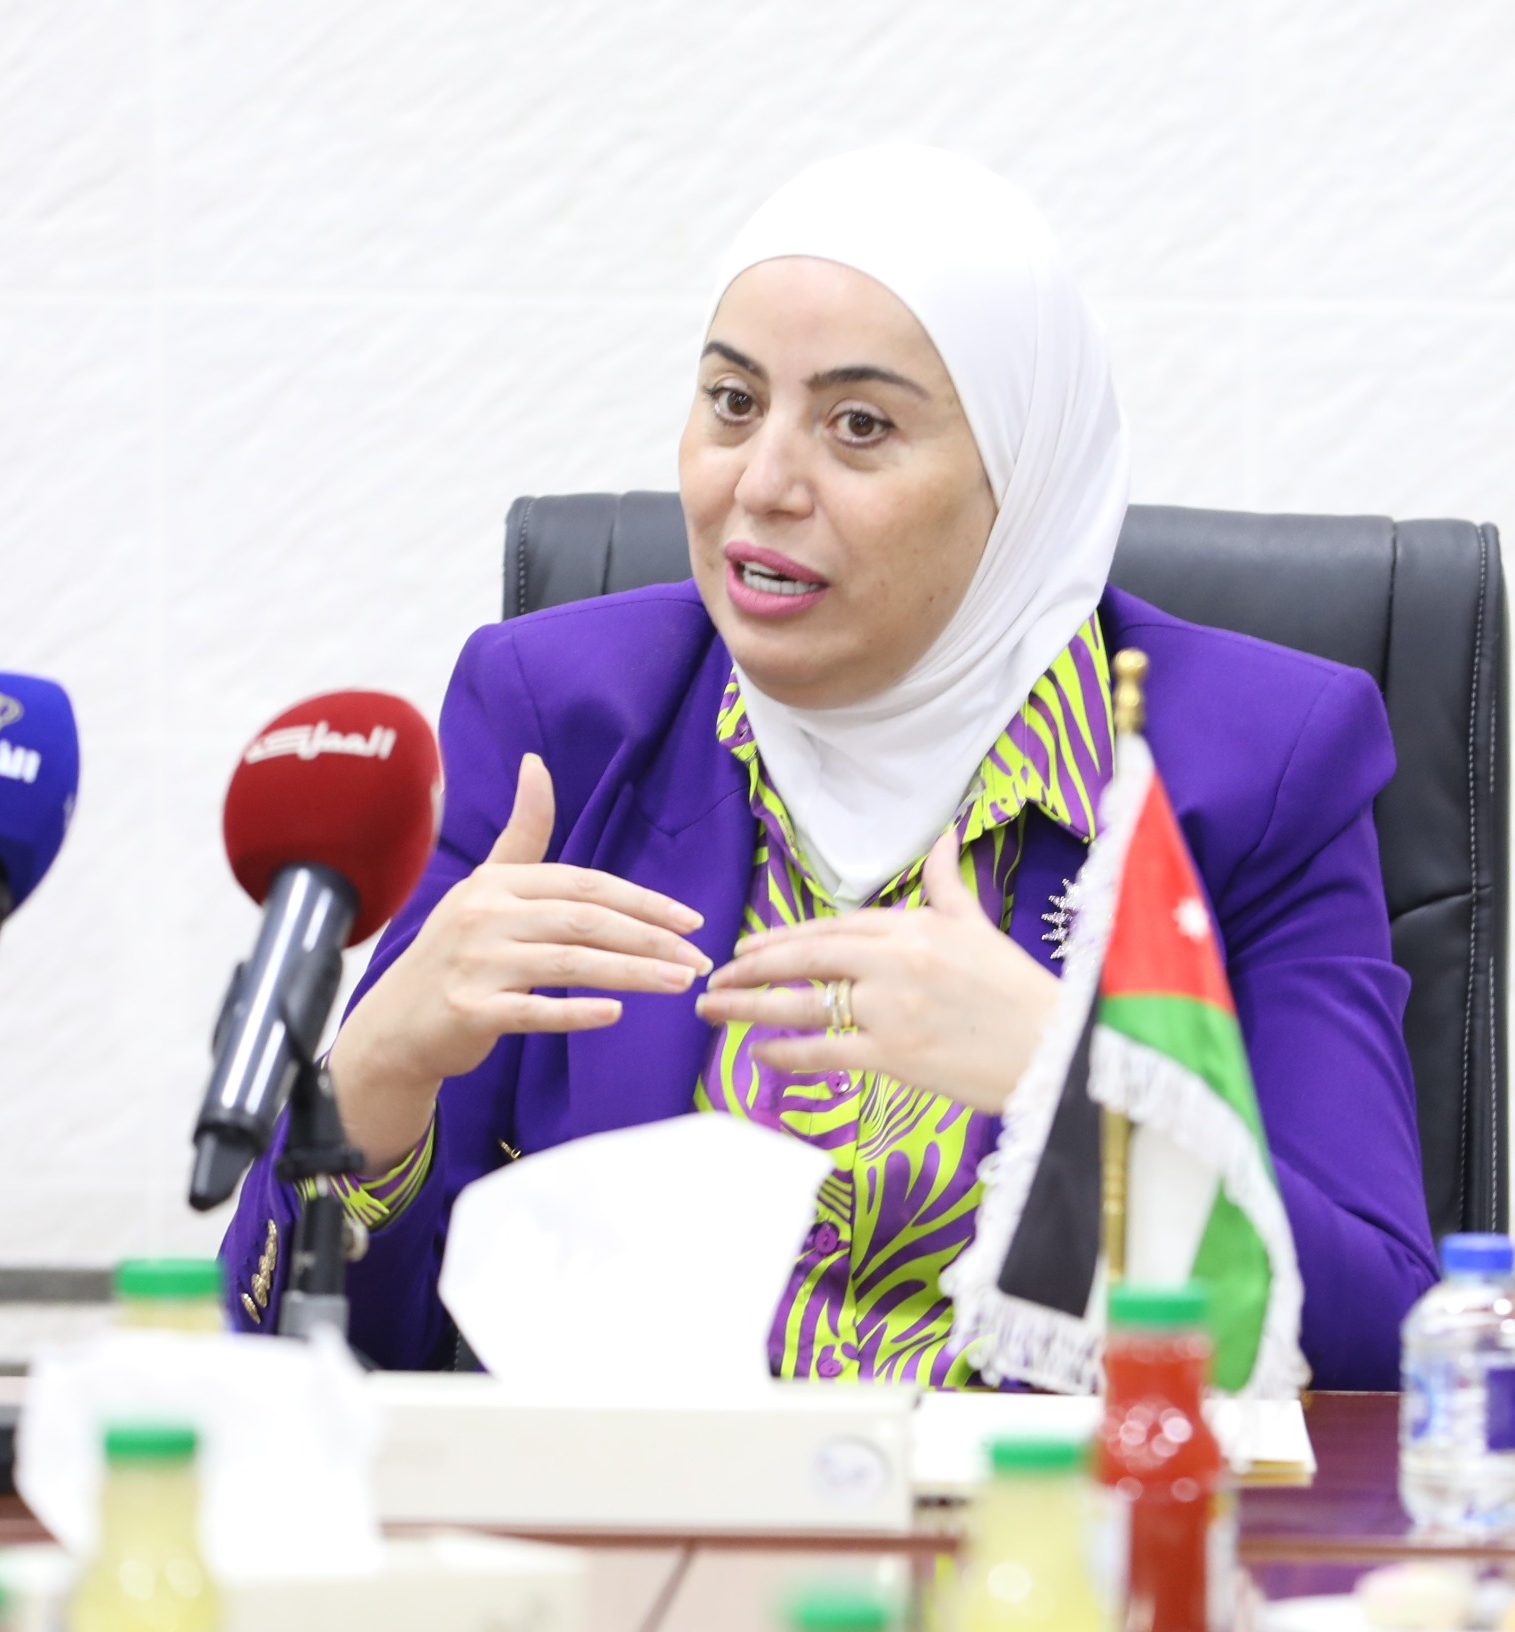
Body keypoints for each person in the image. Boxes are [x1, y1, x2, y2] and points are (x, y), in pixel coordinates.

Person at [220, 147, 1436, 1389]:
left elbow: (1378, 1347)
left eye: (860, 426)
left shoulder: (1251, 767)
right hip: (637, 1500)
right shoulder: (563, 721)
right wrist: (378, 1079)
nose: (761, 484)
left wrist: (1063, 1081)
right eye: (731, 402)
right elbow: (318, 1366)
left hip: (1039, 1505)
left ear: (1020, 479)